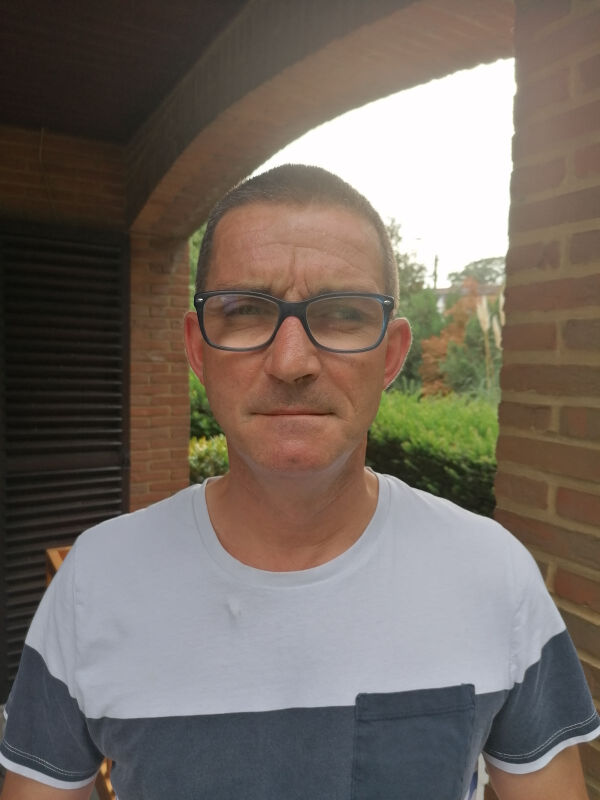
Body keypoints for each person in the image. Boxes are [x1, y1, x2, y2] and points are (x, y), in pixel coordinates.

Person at [0, 164, 598, 800]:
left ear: (391, 355)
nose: (292, 362)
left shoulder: (491, 573)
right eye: (245, 311)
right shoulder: (96, 581)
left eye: (342, 314)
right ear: (198, 349)